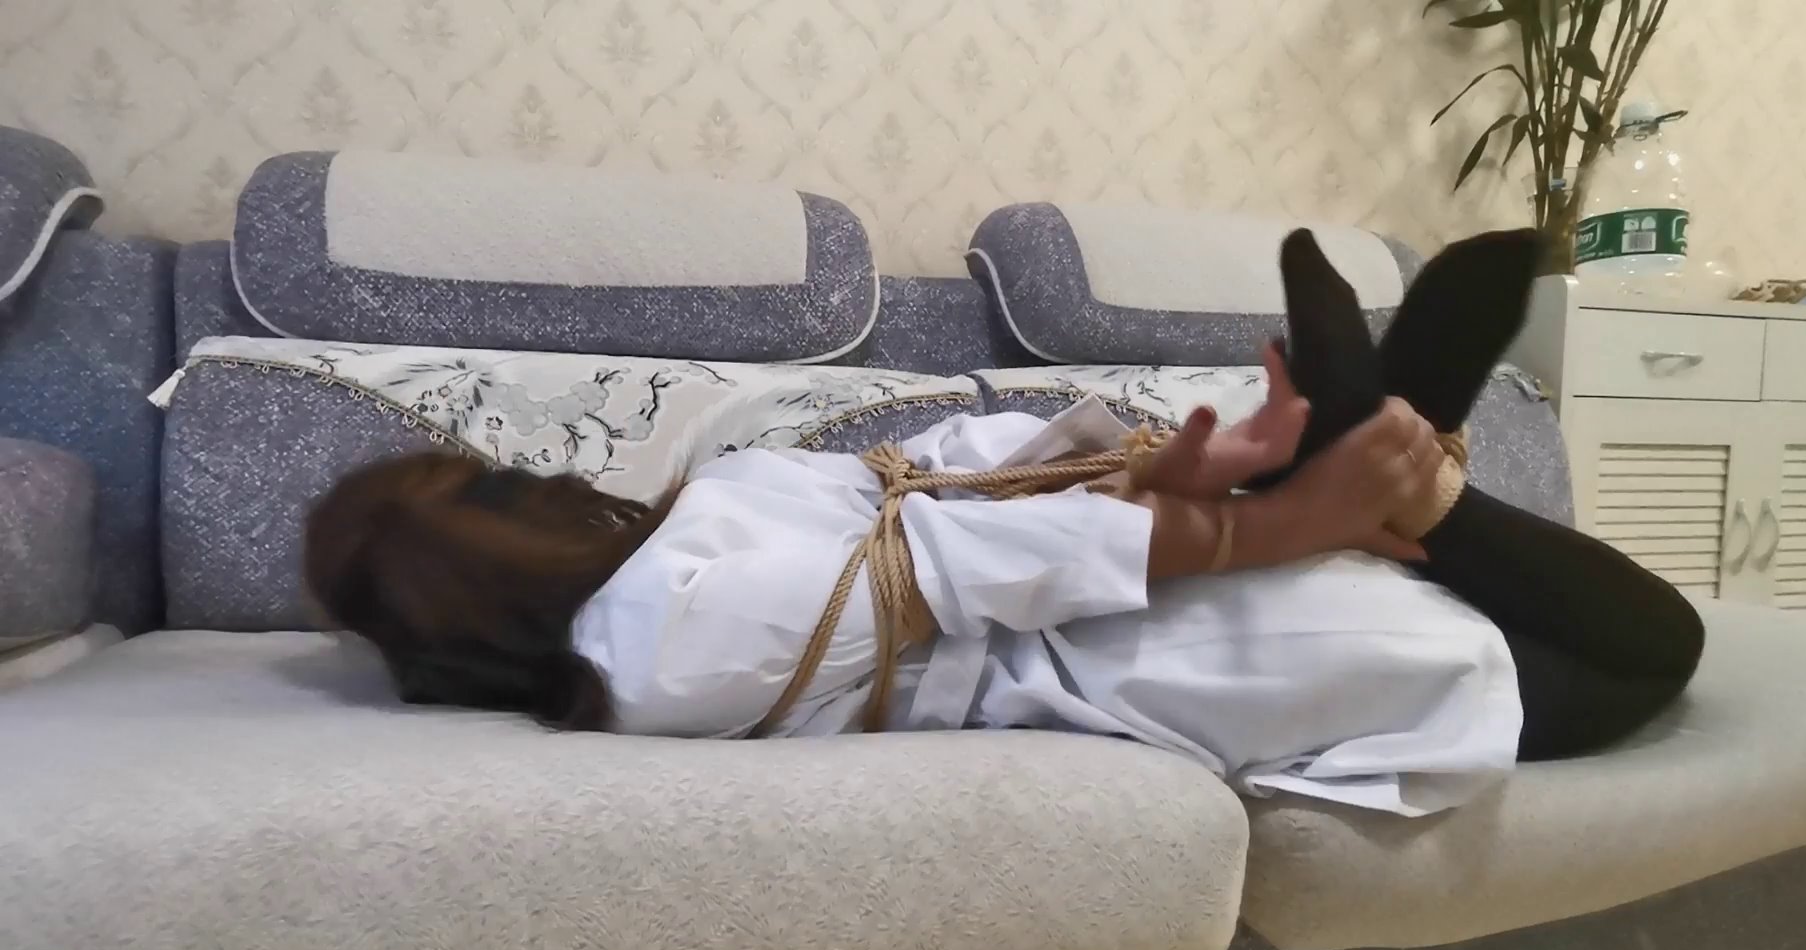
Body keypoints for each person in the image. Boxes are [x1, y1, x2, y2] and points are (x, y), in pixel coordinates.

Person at [304, 229, 1704, 817]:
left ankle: (1404, 462)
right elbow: (947, 549)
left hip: (1140, 611)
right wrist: (1270, 520)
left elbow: (933, 487)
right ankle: (1411, 463)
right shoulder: (660, 624)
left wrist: (1190, 477)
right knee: (1642, 650)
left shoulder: (679, 564)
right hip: (1130, 635)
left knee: (1635, 650)